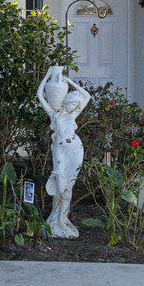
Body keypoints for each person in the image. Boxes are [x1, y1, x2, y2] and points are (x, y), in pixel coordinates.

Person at [35, 65, 92, 238]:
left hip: (75, 150)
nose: (75, 107)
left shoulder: (72, 116)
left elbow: (87, 96)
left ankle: (63, 219)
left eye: (76, 104)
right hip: (60, 151)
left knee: (69, 186)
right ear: (66, 102)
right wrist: (47, 75)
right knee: (59, 183)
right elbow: (39, 95)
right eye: (72, 103)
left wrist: (69, 81)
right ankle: (55, 219)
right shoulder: (55, 114)